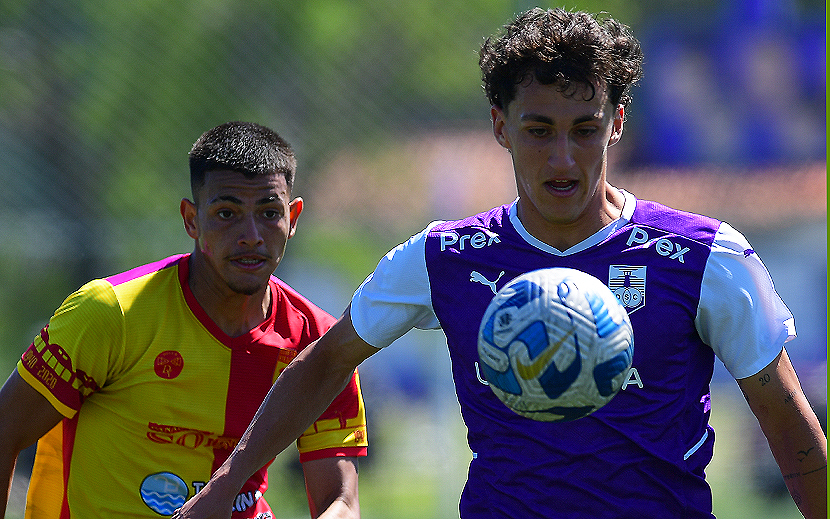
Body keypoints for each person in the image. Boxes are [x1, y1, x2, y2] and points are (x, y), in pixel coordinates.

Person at [173, 8, 827, 519]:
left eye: (586, 128)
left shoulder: (704, 256)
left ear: (619, 122)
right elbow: (324, 362)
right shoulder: (446, 256)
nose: (564, 157)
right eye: (539, 130)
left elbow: (785, 417)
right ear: (499, 125)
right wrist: (226, 484)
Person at [0, 121, 368, 518]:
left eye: (269, 213)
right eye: (227, 213)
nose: (251, 235)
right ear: (191, 219)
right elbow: (6, 431)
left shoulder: (320, 344)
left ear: (293, 218)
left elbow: (341, 502)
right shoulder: (111, 312)